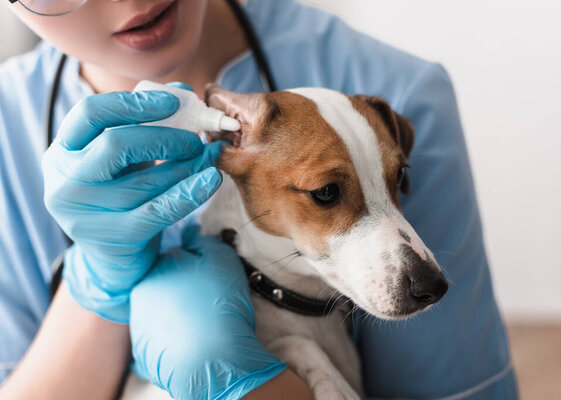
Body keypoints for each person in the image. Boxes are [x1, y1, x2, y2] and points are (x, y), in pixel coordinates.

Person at [0, 0, 519, 399]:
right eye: (327, 192)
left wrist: (251, 384)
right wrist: (96, 288)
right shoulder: (6, 128)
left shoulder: (397, 91)